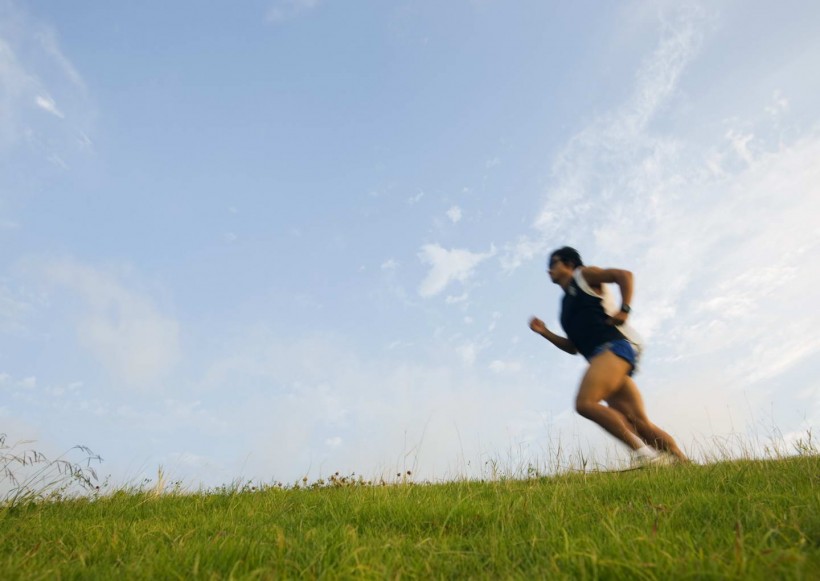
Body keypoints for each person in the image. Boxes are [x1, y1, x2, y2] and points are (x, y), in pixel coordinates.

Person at [529, 246, 688, 465]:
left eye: (553, 264)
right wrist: (545, 332)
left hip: (614, 348)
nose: (549, 271)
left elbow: (624, 275)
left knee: (585, 403)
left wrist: (624, 310)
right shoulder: (565, 306)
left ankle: (645, 456)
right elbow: (574, 347)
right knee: (638, 422)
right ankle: (683, 464)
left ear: (569, 263)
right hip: (602, 359)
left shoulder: (583, 275)